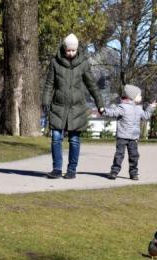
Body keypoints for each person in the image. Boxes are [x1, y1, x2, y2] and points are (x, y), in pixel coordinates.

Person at [42, 33, 105, 179]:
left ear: (77, 50)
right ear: (64, 49)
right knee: (56, 138)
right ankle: (57, 169)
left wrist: (100, 104)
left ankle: (72, 170)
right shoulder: (55, 63)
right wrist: (45, 101)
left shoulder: (83, 63)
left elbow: (92, 86)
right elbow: (49, 84)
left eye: (73, 50)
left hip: (77, 108)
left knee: (74, 140)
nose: (70, 53)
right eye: (68, 50)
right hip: (58, 106)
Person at [102, 84, 156, 180]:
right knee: (119, 155)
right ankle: (114, 171)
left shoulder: (139, 108)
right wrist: (103, 110)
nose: (141, 97)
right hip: (122, 136)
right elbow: (113, 112)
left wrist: (150, 107)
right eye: (139, 95)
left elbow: (145, 116)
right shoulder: (123, 107)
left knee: (134, 156)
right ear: (132, 97)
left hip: (134, 137)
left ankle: (133, 173)